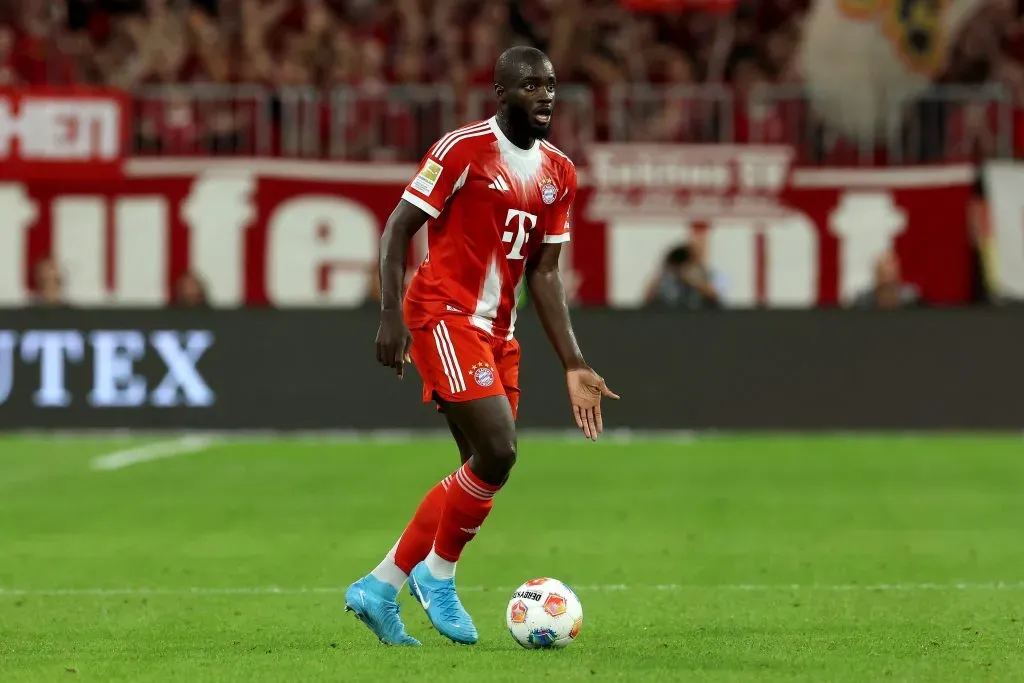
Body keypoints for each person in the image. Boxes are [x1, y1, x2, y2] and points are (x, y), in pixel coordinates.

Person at [345, 46, 619, 647]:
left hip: (499, 331)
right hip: (443, 314)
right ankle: (437, 574)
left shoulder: (559, 172)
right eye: (529, 86)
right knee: (499, 449)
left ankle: (379, 585)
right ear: (500, 92)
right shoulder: (462, 149)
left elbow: (545, 273)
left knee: (482, 468)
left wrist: (574, 362)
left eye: (550, 84)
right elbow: (397, 227)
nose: (544, 95)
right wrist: (390, 317)